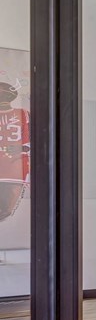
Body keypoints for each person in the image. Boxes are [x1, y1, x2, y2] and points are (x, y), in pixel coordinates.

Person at [0, 81, 29, 223]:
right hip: (12, 168)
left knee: (6, 209)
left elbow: (35, 142)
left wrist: (20, 148)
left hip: (14, 169)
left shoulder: (23, 114)